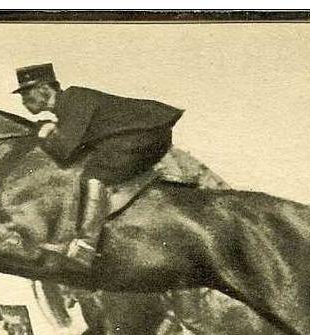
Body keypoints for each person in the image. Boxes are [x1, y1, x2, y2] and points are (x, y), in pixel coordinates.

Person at [12, 63, 183, 267]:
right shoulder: (69, 105)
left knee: (93, 175)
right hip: (145, 135)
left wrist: (44, 134)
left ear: (44, 89)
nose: (24, 101)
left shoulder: (74, 99)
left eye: (26, 94)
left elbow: (64, 152)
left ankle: (86, 245)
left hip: (144, 135)